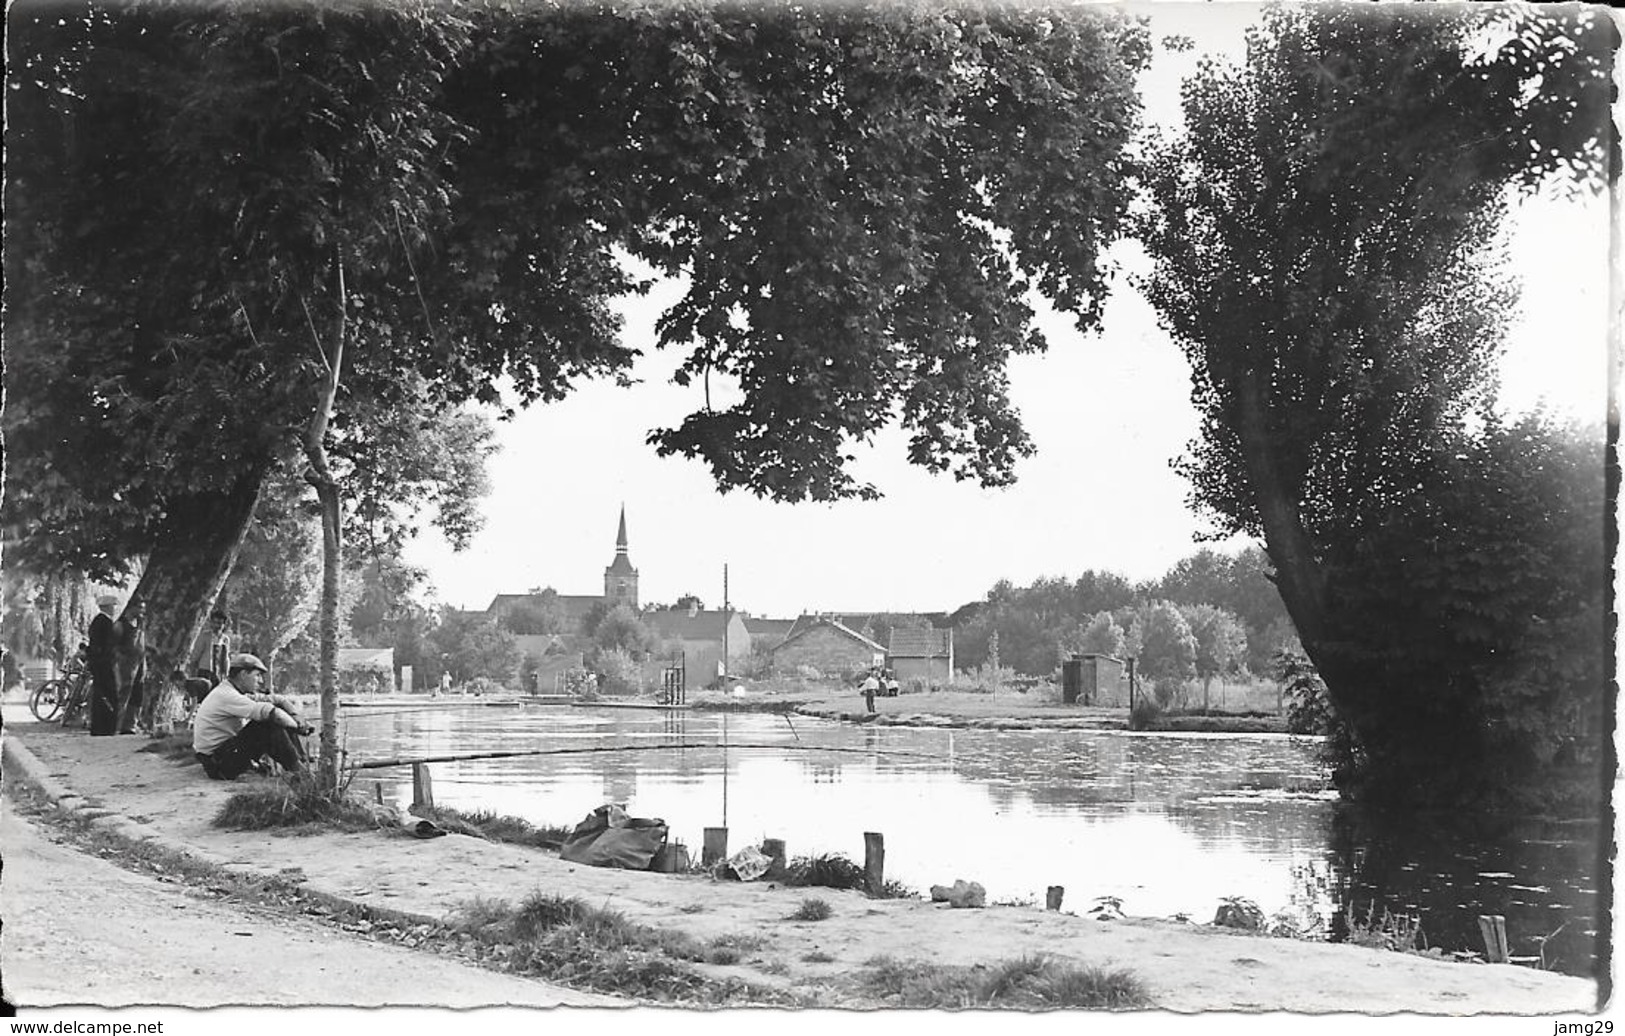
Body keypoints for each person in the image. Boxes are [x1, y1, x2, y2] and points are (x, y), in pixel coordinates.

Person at [192, 653, 310, 780]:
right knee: (268, 724)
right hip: (217, 764)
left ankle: (300, 763)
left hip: (224, 754)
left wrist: (296, 716)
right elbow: (272, 713)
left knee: (278, 714)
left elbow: (278, 700)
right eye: (257, 675)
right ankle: (300, 773)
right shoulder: (227, 695)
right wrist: (298, 727)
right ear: (243, 674)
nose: (260, 681)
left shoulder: (234, 690)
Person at [111, 599, 147, 734]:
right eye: (140, 608)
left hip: (140, 662)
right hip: (125, 663)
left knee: (138, 693)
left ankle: (130, 724)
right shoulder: (120, 625)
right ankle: (115, 724)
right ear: (131, 607)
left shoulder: (141, 623)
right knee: (123, 693)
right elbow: (113, 646)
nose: (142, 611)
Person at [87, 595, 120, 735]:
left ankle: (100, 726)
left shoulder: (98, 621)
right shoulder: (105, 622)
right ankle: (106, 726)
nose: (114, 609)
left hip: (99, 663)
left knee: (101, 694)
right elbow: (106, 646)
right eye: (113, 606)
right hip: (104, 664)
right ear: (107, 607)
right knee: (107, 694)